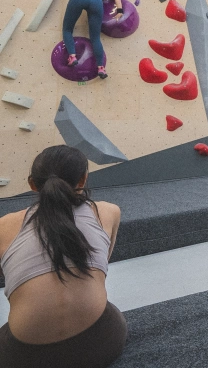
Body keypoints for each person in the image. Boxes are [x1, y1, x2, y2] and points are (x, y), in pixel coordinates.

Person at [0, 145, 125, 367]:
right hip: (102, 343)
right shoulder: (108, 211)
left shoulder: (4, 226)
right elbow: (102, 267)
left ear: (32, 184)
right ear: (83, 180)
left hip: (23, 358)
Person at [62, 0, 123, 80]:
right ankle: (101, 67)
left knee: (67, 29)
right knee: (95, 37)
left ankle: (72, 56)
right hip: (96, 0)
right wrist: (120, 10)